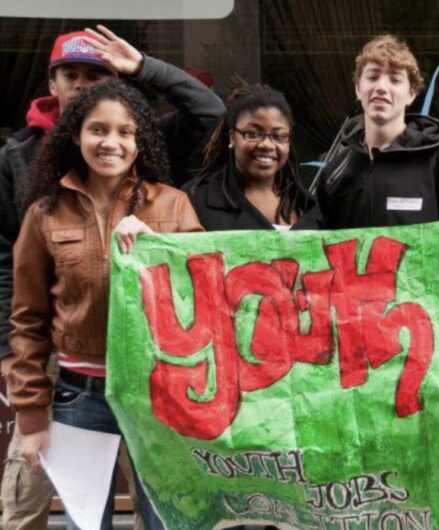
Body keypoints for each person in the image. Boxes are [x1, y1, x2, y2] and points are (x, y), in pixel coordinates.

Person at [0, 26, 222, 530]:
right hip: (78, 398)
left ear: (141, 138)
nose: (111, 142)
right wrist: (32, 418)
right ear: (75, 135)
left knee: (167, 521)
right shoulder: (43, 213)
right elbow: (29, 320)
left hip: (156, 397)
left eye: (124, 132)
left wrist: (159, 245)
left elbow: (204, 300)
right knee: (85, 524)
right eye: (97, 130)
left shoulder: (172, 204)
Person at [301, 34, 439, 229]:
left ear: (411, 94)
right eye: (373, 77)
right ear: (358, 88)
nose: (381, 87)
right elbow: (310, 241)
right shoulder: (337, 171)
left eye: (394, 79)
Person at [183, 85, 313, 230]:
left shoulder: (307, 206)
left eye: (279, 136)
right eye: (253, 134)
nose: (267, 145)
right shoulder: (194, 200)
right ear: (232, 137)